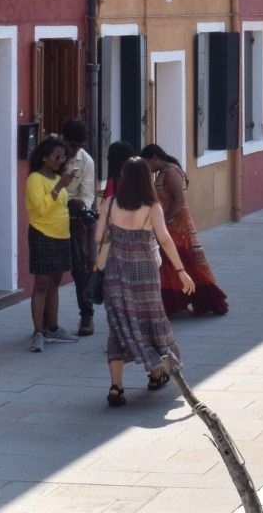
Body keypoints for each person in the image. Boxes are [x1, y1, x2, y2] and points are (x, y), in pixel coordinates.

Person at [96, 157, 193, 405]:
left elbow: (99, 238)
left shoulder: (110, 203)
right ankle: (155, 374)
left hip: (116, 271)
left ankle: (116, 387)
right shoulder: (152, 206)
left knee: (118, 325)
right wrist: (181, 270)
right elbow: (164, 239)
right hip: (145, 273)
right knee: (151, 321)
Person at [141, 143, 230, 315]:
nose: (147, 167)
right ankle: (175, 302)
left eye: (147, 162)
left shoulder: (171, 172)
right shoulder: (162, 173)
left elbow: (178, 201)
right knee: (172, 264)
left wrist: (163, 221)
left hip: (177, 225)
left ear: (154, 158)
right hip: (171, 225)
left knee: (184, 263)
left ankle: (204, 300)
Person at [24, 136, 80, 352]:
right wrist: (59, 187)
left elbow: (60, 204)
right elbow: (40, 208)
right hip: (42, 233)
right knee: (41, 283)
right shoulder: (35, 180)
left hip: (61, 233)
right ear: (45, 157)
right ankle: (38, 331)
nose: (60, 160)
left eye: (63, 156)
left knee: (55, 282)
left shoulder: (58, 178)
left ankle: (53, 327)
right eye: (57, 156)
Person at [61, 119, 99, 337]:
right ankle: (47, 321)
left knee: (81, 268)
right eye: (72, 145)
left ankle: (87, 314)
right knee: (51, 271)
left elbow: (87, 193)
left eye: (78, 146)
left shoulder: (86, 161)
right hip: (52, 213)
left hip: (75, 216)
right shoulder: (52, 153)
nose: (75, 149)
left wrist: (81, 207)